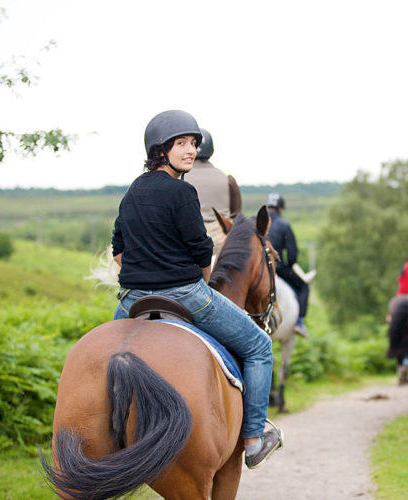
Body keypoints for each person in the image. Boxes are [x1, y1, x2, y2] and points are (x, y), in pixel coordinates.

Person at [111, 110, 282, 469]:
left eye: (193, 144)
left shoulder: (132, 191)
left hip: (131, 301)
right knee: (259, 345)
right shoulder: (182, 191)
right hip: (184, 293)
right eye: (182, 144)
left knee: (107, 356)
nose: (190, 150)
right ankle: (252, 439)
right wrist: (202, 280)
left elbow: (119, 251)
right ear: (160, 150)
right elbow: (202, 250)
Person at [183, 128, 242, 260]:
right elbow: (237, 215)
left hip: (188, 246)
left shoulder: (180, 178)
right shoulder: (227, 178)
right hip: (223, 247)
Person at [266, 193, 310, 338]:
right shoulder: (284, 225)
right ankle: (300, 322)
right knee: (304, 287)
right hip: (277, 268)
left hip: (256, 268)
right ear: (280, 208)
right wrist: (287, 265)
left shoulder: (255, 222)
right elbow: (292, 254)